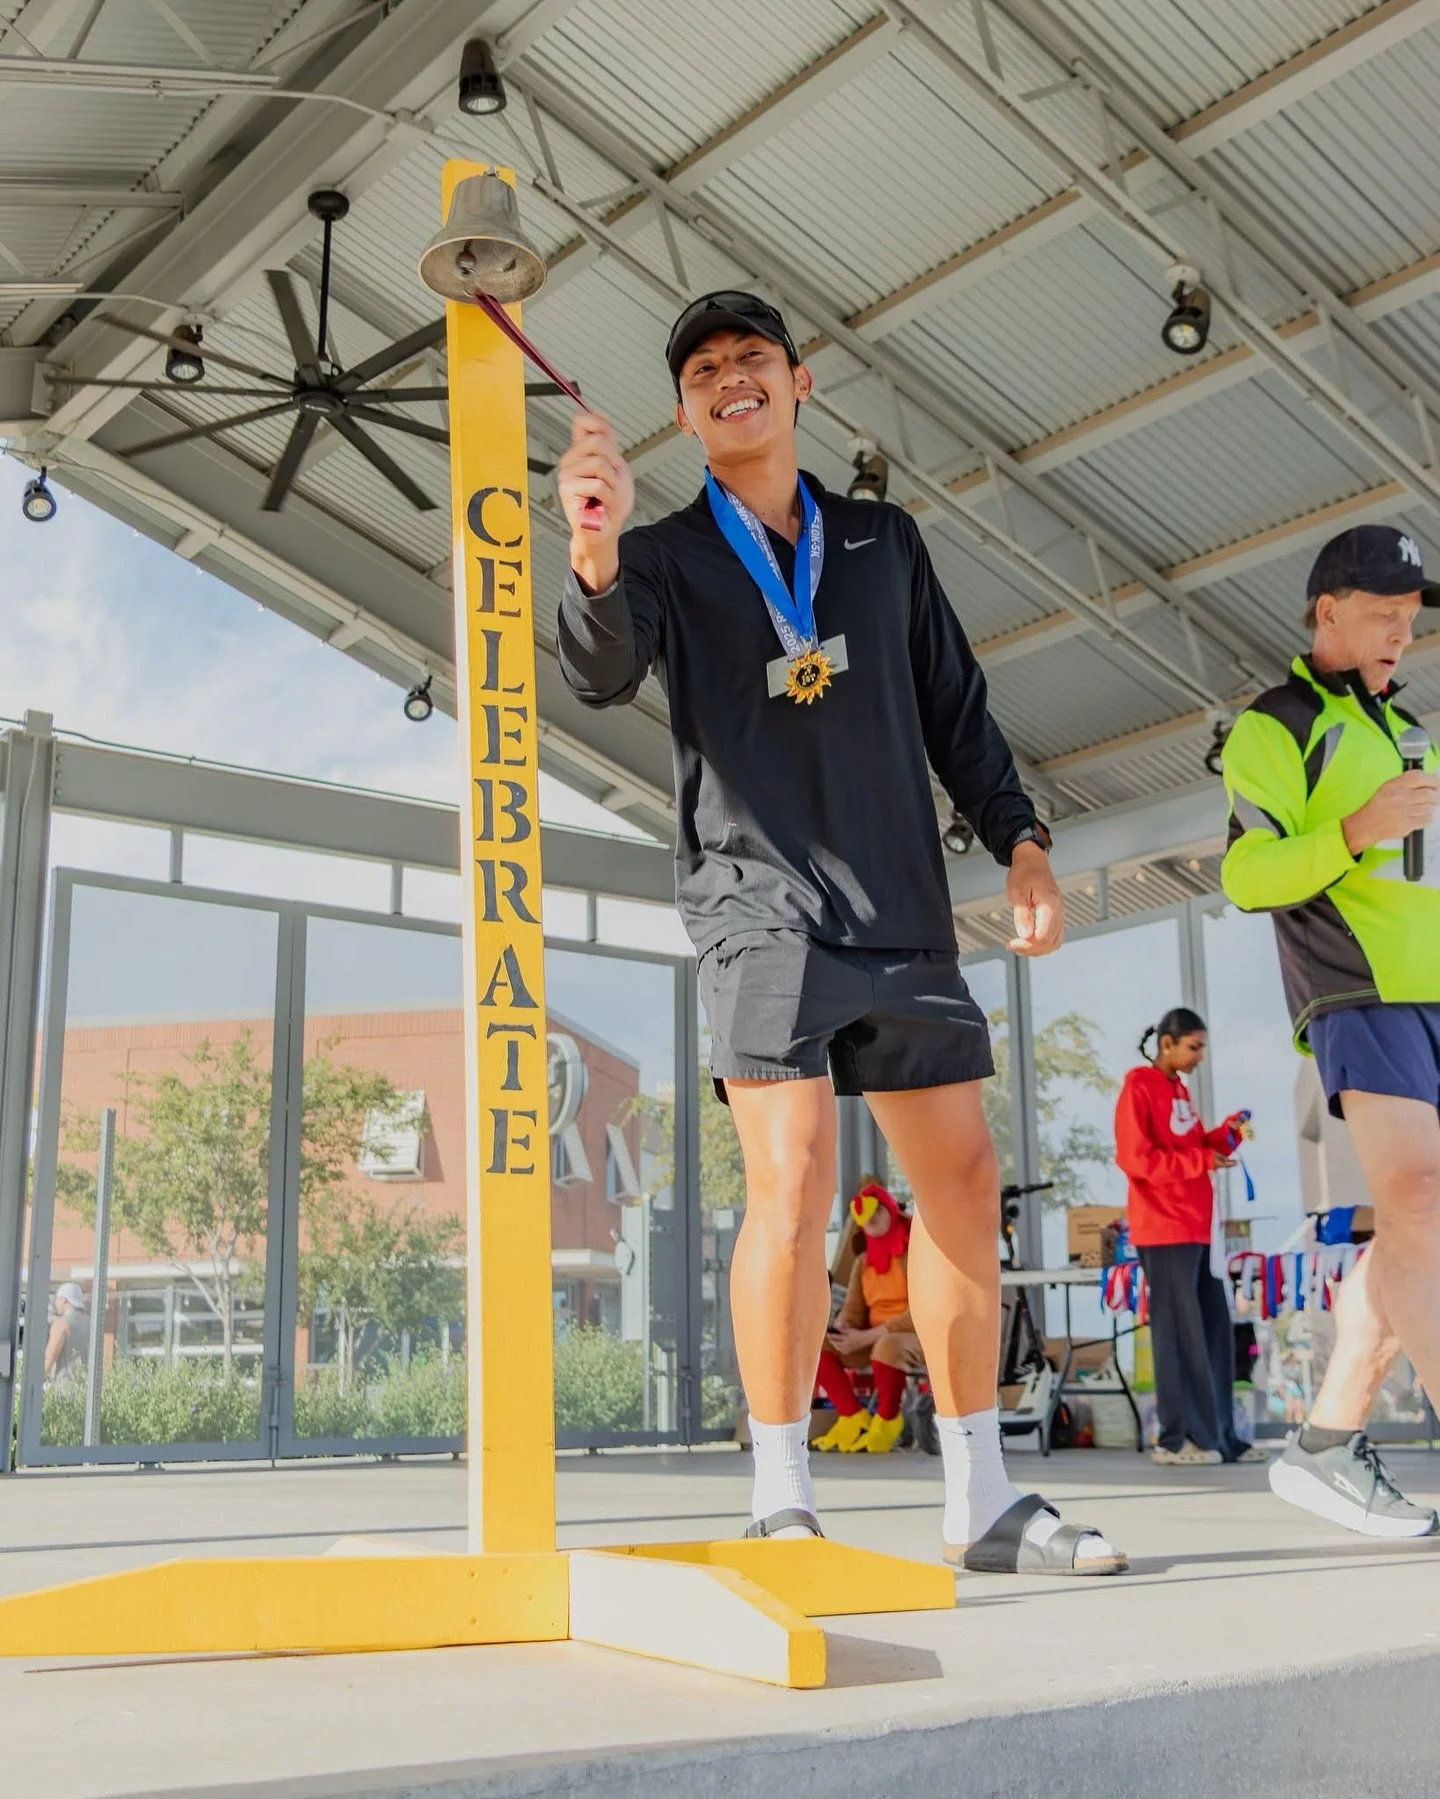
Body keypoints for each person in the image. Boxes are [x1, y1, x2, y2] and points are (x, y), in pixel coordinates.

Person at [556, 288, 1125, 1574]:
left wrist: (1021, 837)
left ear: (800, 384)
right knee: (796, 1174)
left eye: (751, 356)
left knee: (967, 1182)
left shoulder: (882, 542)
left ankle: (980, 1498)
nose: (728, 376)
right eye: (702, 369)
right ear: (687, 410)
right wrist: (591, 551)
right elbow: (596, 669)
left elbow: (955, 707)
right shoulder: (660, 556)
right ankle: (778, 1497)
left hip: (902, 906)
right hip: (757, 904)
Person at [1221, 522, 1440, 1538]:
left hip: (1434, 994)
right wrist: (1356, 828)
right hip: (1357, 990)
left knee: (1414, 1235)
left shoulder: (1414, 731)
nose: (1404, 631)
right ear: (1328, 612)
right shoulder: (1275, 724)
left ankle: (1324, 1442)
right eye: (1385, 613)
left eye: (1412, 616)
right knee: (1422, 1203)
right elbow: (1246, 874)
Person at [1114, 1009, 1267, 1467]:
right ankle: (1175, 1440)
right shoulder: (1138, 1088)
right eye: (1193, 1047)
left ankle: (1220, 1437)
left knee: (1214, 1334)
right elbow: (1137, 1160)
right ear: (1167, 1043)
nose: (1199, 1056)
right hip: (1163, 1228)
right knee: (1178, 1335)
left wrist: (1228, 1136)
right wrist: (1200, 1160)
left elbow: (1195, 1147)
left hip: (1199, 1229)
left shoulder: (1178, 1090)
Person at [813, 1180, 923, 1454]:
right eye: (866, 1217)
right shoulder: (863, 1262)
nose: (872, 1220)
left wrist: (869, 1336)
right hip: (872, 1338)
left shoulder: (917, 1252)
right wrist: (843, 1327)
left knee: (887, 1346)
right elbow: (853, 1307)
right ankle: (853, 1417)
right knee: (818, 1347)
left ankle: (887, 1421)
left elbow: (924, 1309)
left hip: (916, 1336)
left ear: (890, 1209)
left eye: (877, 1212)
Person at [43, 1281, 89, 1384]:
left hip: (66, 1386)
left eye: (57, 1299)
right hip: (88, 1387)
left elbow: (49, 1358)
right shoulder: (92, 1323)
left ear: (65, 1300)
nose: (55, 1303)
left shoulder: (61, 1324)